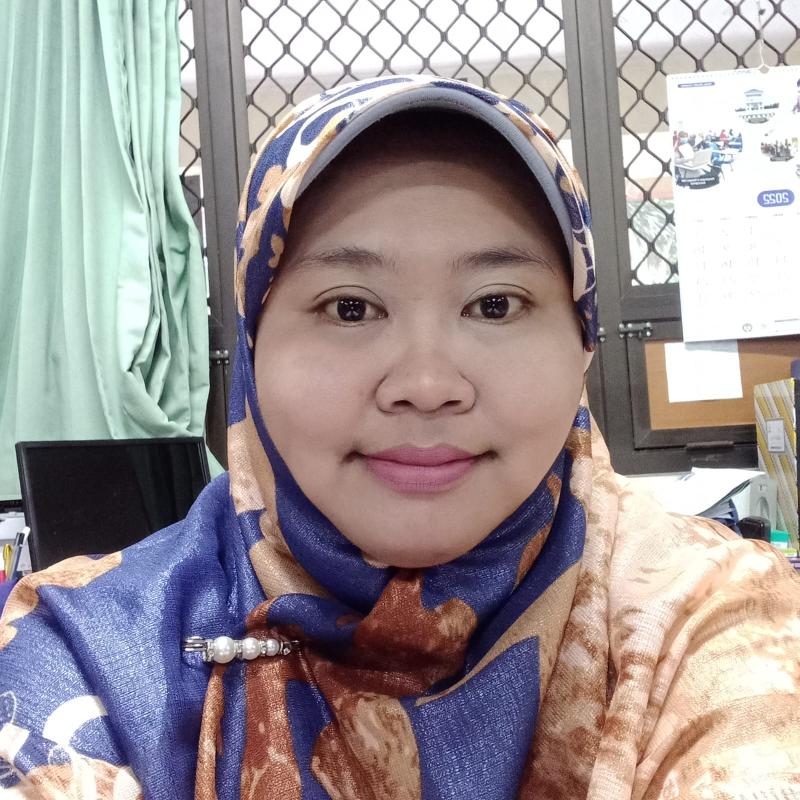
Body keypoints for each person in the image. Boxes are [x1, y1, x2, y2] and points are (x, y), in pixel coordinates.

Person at [0, 75, 799, 799]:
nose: (425, 382)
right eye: (350, 308)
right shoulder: (83, 645)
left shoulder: (717, 615)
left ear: (582, 341)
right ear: (254, 345)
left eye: (494, 304)